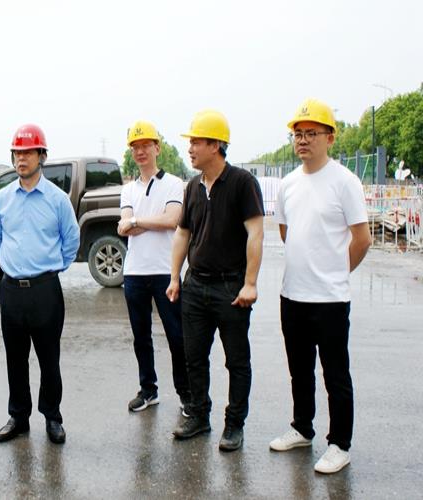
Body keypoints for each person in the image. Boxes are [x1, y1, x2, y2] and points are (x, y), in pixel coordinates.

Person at [269, 99, 372, 474]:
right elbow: (287, 232)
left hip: (330, 299)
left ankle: (339, 444)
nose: (303, 140)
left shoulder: (345, 182)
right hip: (292, 294)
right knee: (299, 370)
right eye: (297, 134)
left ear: (330, 137)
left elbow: (362, 238)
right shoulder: (288, 184)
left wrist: (336, 272)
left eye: (311, 133)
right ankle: (302, 428)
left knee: (335, 375)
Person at [166, 110, 264, 451]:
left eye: (196, 142)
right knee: (193, 357)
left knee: (236, 360)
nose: (190, 148)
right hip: (195, 286)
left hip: (230, 287)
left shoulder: (242, 183)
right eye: (191, 142)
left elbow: (255, 233)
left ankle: (234, 424)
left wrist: (250, 283)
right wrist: (175, 277)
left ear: (216, 145)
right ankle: (198, 415)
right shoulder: (192, 187)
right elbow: (183, 233)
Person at [0, 124, 79, 445]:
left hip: (45, 292)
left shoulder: (57, 200)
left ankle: (52, 417)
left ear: (42, 156)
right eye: (17, 153)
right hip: (12, 290)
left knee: (48, 359)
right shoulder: (2, 199)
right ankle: (18, 417)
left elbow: (71, 241)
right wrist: (15, 265)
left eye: (28, 152)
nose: (21, 158)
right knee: (15, 358)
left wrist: (49, 269)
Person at [118, 120, 191, 414]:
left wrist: (136, 221)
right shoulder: (128, 189)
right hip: (135, 272)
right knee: (141, 337)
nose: (140, 151)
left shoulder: (173, 183)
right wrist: (143, 222)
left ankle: (187, 395)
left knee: (177, 336)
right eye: (135, 147)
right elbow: (123, 227)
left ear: (157, 148)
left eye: (146, 145)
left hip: (164, 271)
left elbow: (172, 220)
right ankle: (148, 390)